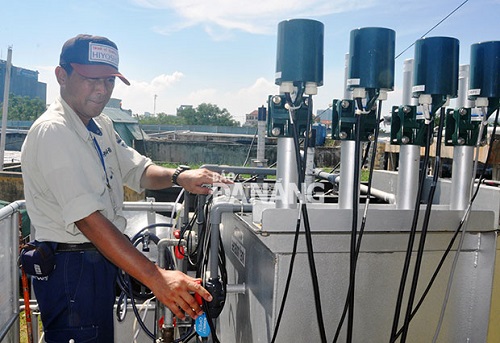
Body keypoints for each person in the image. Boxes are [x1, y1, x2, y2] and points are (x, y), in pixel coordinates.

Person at [21, 34, 229, 342]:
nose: (101, 90)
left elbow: (138, 170)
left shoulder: (100, 125)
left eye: (108, 81)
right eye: (91, 79)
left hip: (98, 261)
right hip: (71, 269)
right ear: (61, 75)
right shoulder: (55, 132)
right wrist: (156, 278)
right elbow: (88, 220)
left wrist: (179, 177)